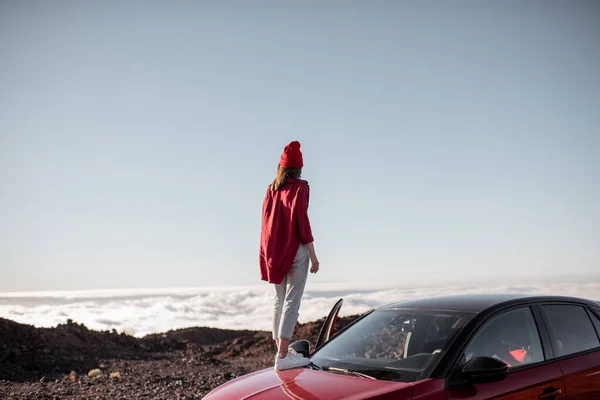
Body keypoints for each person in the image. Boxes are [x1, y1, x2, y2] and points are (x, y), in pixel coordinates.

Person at [259, 140, 320, 371]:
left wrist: (265, 255)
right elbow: (302, 224)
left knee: (278, 301)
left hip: (273, 252)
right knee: (292, 301)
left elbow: (266, 226)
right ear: (299, 168)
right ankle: (283, 357)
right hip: (295, 250)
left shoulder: (271, 190)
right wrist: (313, 255)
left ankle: (280, 352)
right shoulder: (300, 188)